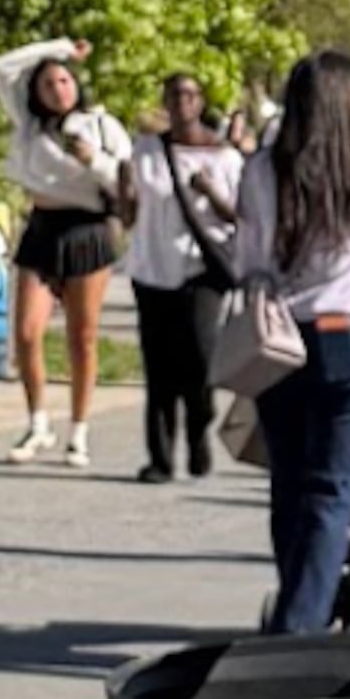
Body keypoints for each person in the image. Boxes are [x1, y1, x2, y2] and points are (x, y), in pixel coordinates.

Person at [233, 51, 350, 634]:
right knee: (330, 489)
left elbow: (250, 260)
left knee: (288, 482)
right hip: (348, 337)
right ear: (348, 103)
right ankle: (300, 626)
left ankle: (296, 599)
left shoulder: (263, 168)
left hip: (281, 341)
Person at [0, 35, 126, 466]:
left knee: (81, 336)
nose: (59, 90)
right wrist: (61, 47)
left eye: (65, 81)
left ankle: (79, 430)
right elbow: (1, 68)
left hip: (86, 229)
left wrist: (93, 161)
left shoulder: (101, 126)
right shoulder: (29, 126)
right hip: (42, 227)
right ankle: (37, 422)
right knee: (28, 331)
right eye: (49, 83)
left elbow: (126, 180)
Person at [122, 72, 238, 483]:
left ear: (201, 100)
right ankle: (160, 457)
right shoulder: (146, 151)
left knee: (201, 362)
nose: (181, 102)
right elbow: (128, 214)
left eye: (189, 94)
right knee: (159, 368)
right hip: (152, 270)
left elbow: (242, 217)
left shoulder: (224, 157)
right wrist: (125, 195)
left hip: (201, 271)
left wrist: (210, 192)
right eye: (173, 95)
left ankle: (199, 430)